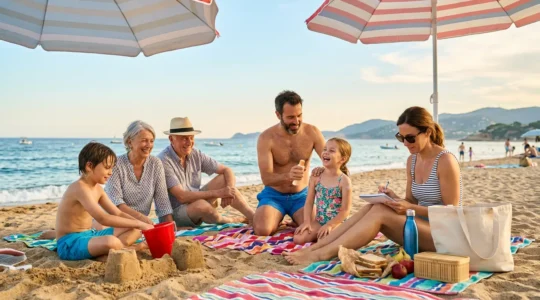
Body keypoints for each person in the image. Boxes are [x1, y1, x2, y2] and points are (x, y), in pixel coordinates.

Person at [284, 106, 461, 265]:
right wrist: (393, 198)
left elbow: (450, 211)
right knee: (375, 205)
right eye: (401, 138)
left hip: (443, 235)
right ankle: (316, 248)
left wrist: (409, 206)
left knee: (380, 212)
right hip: (415, 228)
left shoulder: (445, 161)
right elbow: (411, 201)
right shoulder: (412, 160)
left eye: (410, 138)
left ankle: (322, 254)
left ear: (428, 132)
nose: (406, 143)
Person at [55, 143, 153, 261]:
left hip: (90, 235)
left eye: (112, 168)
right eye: (107, 168)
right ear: (89, 166)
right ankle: (132, 249)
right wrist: (139, 224)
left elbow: (118, 213)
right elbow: (102, 218)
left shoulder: (98, 189)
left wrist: (140, 224)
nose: (111, 172)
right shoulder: (79, 188)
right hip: (70, 243)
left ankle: (109, 253)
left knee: (136, 230)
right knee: (112, 241)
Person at [158, 117, 254, 228]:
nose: (189, 142)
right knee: (201, 205)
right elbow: (182, 197)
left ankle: (253, 216)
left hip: (195, 202)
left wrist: (229, 190)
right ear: (171, 139)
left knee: (224, 179)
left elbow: (227, 170)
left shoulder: (195, 154)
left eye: (191, 137)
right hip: (175, 213)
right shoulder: (163, 160)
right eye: (184, 138)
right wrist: (219, 193)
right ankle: (231, 220)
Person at [253, 90, 326, 236]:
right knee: (263, 230)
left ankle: (295, 217)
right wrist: (288, 176)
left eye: (299, 115)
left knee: (314, 230)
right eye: (291, 117)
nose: (296, 121)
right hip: (274, 195)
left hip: (302, 196)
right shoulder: (266, 138)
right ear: (278, 115)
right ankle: (272, 215)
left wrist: (323, 172)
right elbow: (266, 178)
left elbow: (330, 160)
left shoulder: (312, 132)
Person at [104, 120, 174, 226]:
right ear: (129, 142)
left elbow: (162, 202)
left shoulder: (156, 164)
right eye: (144, 140)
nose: (149, 145)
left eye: (151, 141)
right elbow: (116, 203)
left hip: (141, 225)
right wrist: (142, 220)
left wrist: (171, 227)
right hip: (115, 222)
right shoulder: (116, 165)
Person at [293, 138, 353, 244]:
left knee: (322, 240)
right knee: (298, 239)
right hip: (319, 221)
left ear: (342, 159)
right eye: (325, 149)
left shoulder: (344, 181)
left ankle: (339, 234)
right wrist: (306, 222)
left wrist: (329, 225)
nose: (326, 152)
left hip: (337, 222)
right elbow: (309, 202)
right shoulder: (316, 177)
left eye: (332, 150)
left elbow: (345, 211)